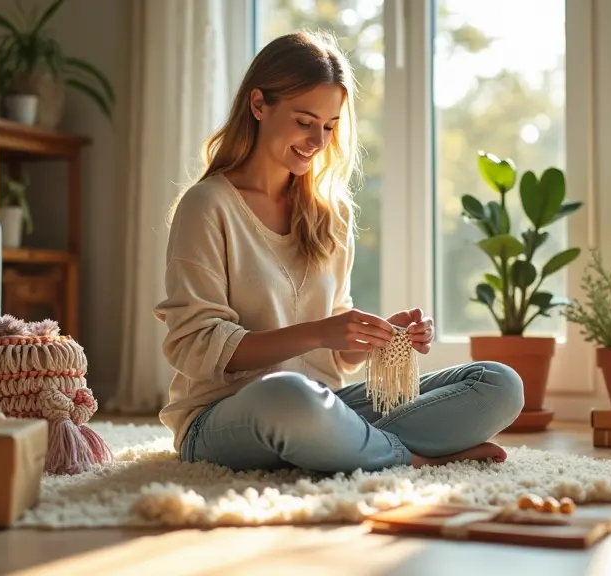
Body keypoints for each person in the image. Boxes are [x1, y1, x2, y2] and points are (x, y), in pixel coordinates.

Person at [155, 30, 524, 473]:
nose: (317, 141)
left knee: (499, 383)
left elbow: (337, 358)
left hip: (327, 407)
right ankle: (412, 456)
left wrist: (381, 337)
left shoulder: (331, 214)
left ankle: (350, 447)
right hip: (227, 416)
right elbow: (195, 346)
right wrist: (319, 332)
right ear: (258, 105)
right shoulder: (207, 205)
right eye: (304, 121)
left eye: (329, 127)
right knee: (289, 395)